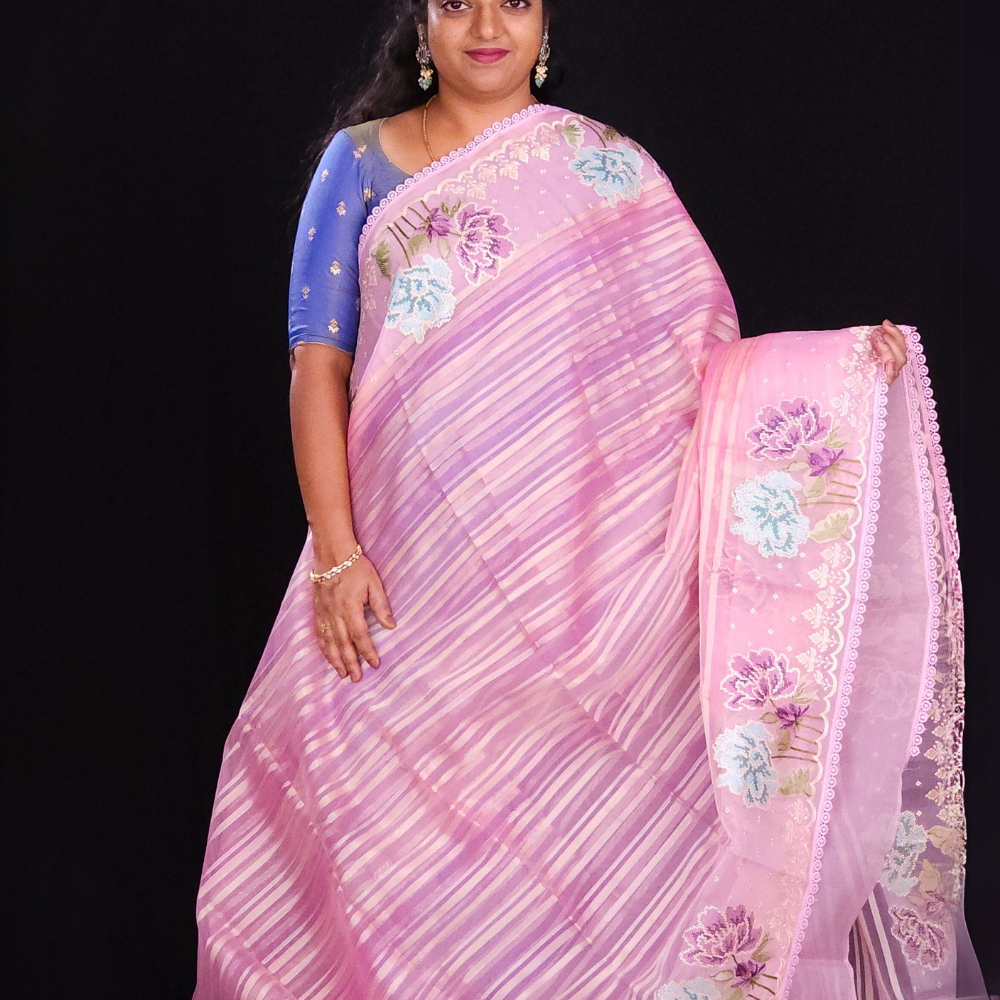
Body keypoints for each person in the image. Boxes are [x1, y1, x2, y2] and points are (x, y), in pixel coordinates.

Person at [193, 3, 986, 998]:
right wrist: (337, 552)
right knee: (393, 871)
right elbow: (318, 367)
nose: (488, 23)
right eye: (458, 1)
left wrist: (840, 376)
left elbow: (699, 374)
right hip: (400, 589)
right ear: (422, 20)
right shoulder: (358, 165)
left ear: (546, 20)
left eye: (515, 0)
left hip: (587, 600)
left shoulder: (608, 168)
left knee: (581, 869)